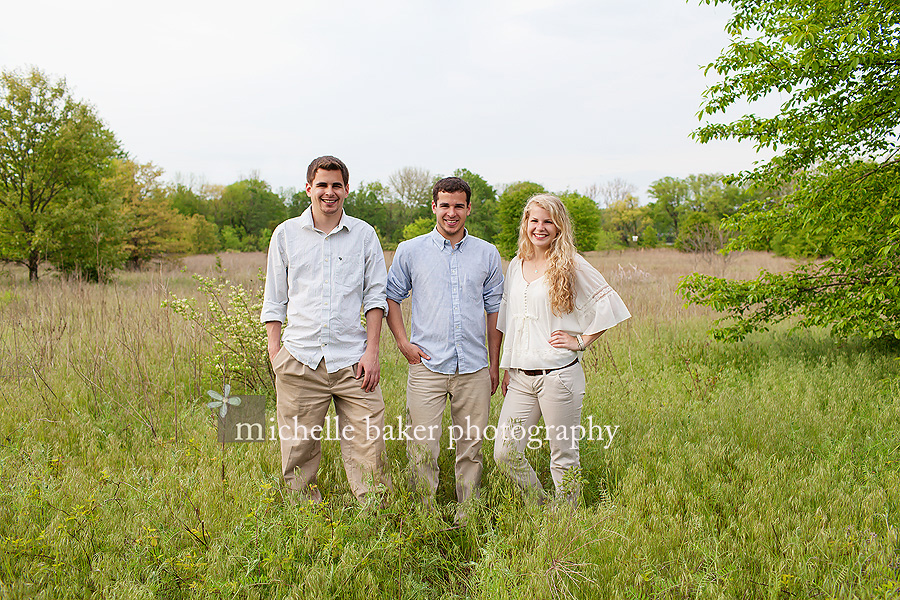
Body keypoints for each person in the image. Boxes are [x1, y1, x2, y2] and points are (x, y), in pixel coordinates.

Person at [261, 155, 390, 503]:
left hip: (354, 361)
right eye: (322, 185)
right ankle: (304, 520)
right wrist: (276, 353)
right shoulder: (286, 234)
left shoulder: (364, 235)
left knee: (370, 446)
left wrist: (373, 352)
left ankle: (375, 517)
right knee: (298, 449)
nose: (329, 192)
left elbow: (377, 297)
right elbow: (274, 298)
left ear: (347, 189)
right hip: (300, 358)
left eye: (336, 185)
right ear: (308, 188)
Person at [493, 194, 630, 504]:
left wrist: (581, 341)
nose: (540, 228)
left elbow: (609, 303)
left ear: (559, 227)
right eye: (534, 220)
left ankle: (566, 521)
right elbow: (510, 318)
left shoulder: (571, 263)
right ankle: (542, 507)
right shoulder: (516, 264)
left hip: (559, 376)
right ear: (525, 224)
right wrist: (507, 366)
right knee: (504, 452)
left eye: (548, 221)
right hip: (520, 377)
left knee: (563, 455)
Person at [385, 176, 504, 509]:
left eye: (459, 206)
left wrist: (494, 364)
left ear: (469, 208)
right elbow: (391, 297)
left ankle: (469, 513)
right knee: (422, 447)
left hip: (474, 366)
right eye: (445, 205)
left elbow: (494, 310)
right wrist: (403, 343)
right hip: (427, 365)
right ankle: (423, 514)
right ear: (434, 207)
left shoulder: (487, 253)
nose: (451, 213)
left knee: (472, 447)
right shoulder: (411, 251)